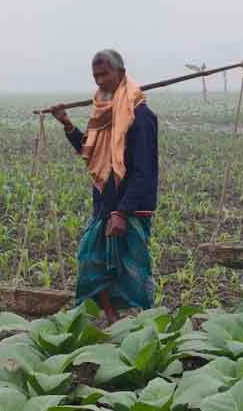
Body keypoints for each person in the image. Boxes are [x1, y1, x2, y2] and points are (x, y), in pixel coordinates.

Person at [50, 49, 158, 324]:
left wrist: (122, 212)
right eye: (95, 76)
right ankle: (110, 316)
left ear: (121, 74)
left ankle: (142, 319)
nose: (99, 81)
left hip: (131, 207)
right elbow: (91, 151)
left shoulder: (140, 116)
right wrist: (66, 125)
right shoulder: (102, 114)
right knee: (92, 262)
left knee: (132, 267)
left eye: (105, 74)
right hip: (104, 202)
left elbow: (143, 171)